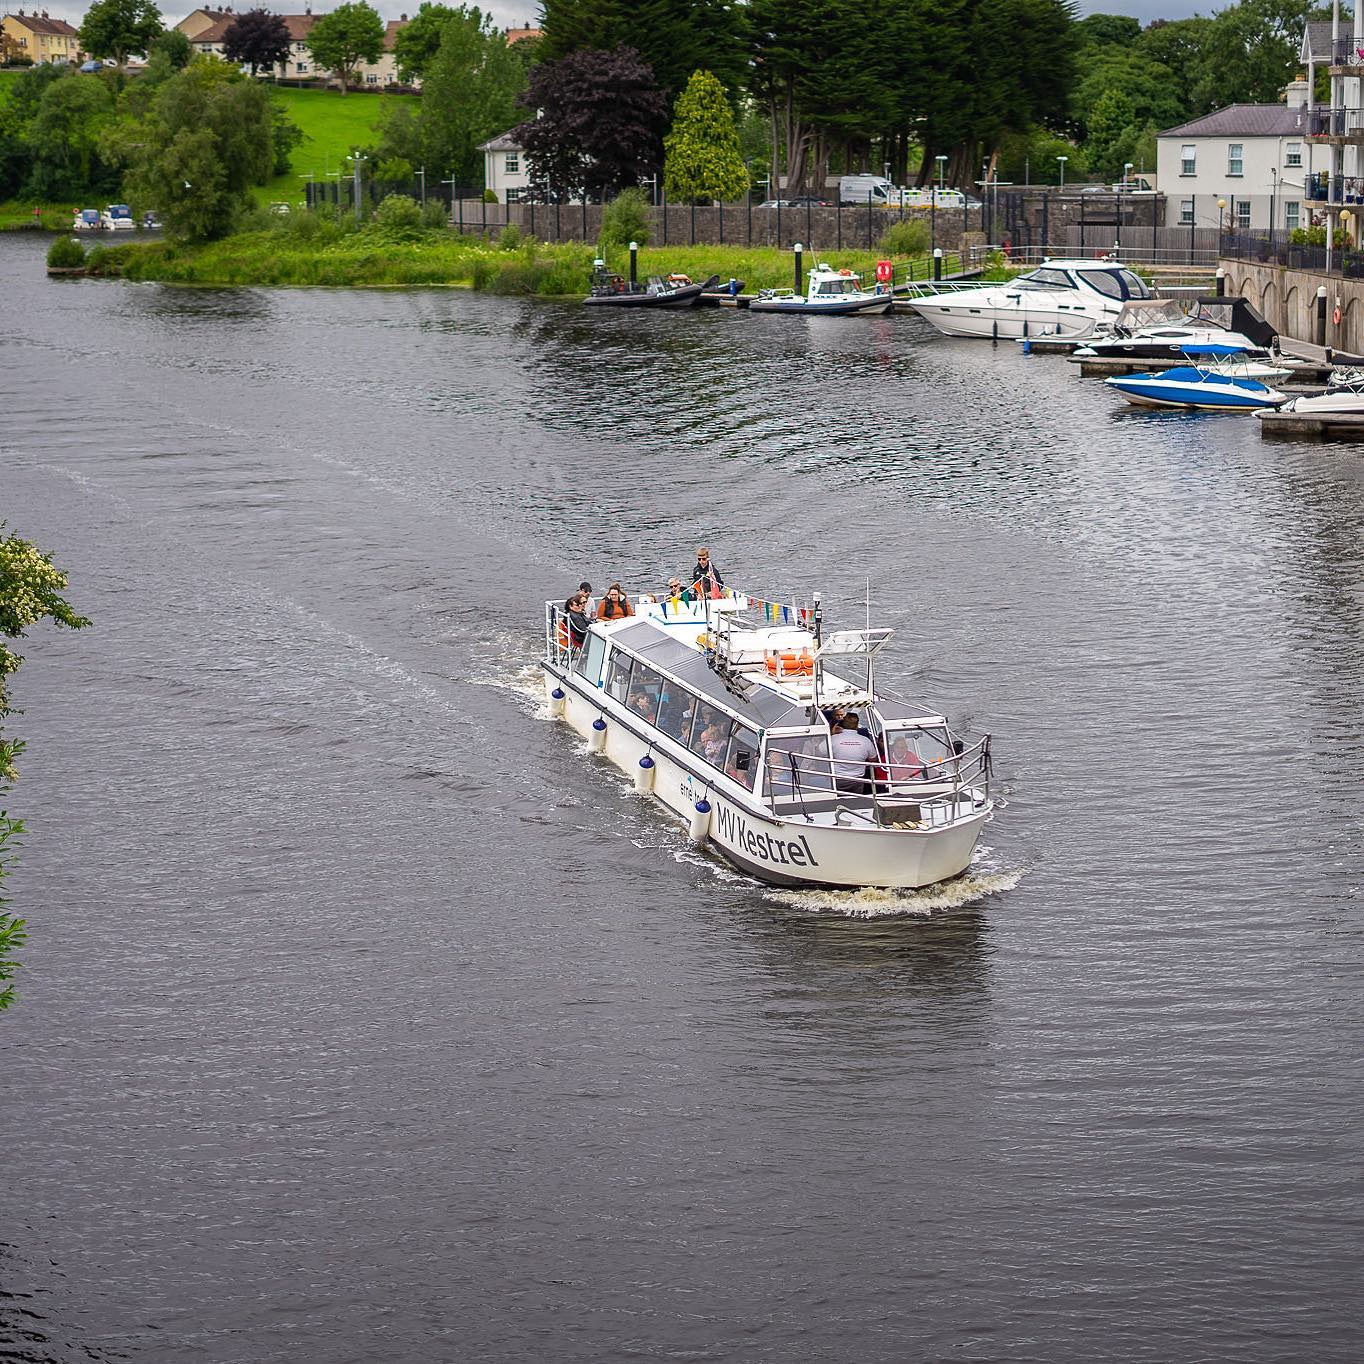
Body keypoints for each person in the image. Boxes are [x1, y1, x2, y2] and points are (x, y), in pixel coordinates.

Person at [830, 713, 878, 795]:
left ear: (842, 724)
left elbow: (819, 752)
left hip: (837, 779)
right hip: (858, 780)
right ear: (857, 726)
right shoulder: (865, 741)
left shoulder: (832, 739)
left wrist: (832, 734)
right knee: (857, 801)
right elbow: (873, 759)